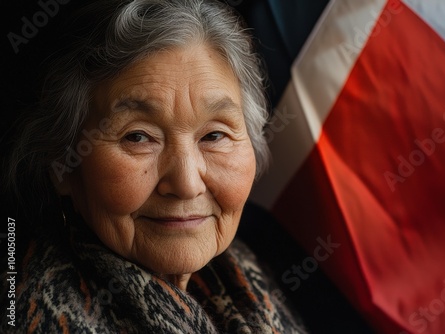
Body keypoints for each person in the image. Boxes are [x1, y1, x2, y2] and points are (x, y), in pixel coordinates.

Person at [1, 0, 308, 332]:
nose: (187, 184)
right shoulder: (35, 317)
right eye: (137, 137)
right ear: (63, 162)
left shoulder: (245, 275)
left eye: (215, 135)